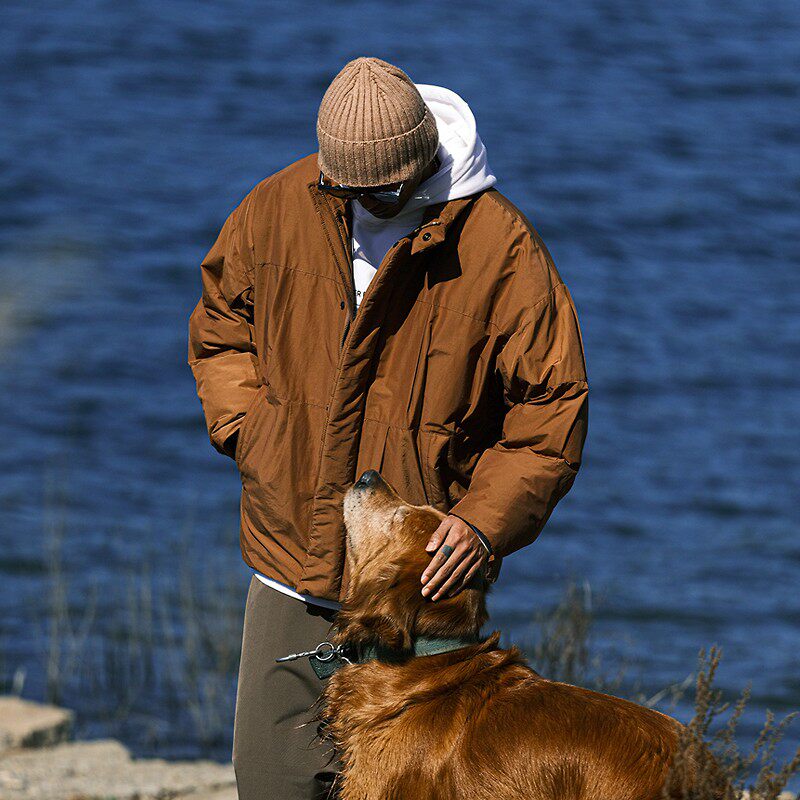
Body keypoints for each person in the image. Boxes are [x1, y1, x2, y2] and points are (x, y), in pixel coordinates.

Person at [188, 56, 589, 800]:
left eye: (384, 189)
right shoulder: (278, 206)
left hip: (418, 582)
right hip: (291, 560)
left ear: (421, 160)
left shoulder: (498, 245)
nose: (365, 202)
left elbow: (551, 408)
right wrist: (252, 431)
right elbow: (220, 328)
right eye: (346, 188)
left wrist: (480, 524)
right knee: (271, 781)